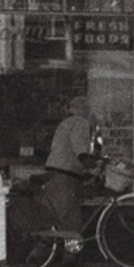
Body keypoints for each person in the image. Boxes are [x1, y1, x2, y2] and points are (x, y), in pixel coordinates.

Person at [43, 96, 96, 233]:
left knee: (56, 217)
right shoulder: (80, 122)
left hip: (54, 171)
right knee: (71, 219)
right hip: (66, 174)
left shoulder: (65, 123)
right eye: (87, 108)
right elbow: (80, 149)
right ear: (83, 109)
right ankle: (71, 253)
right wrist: (92, 164)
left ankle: (41, 252)